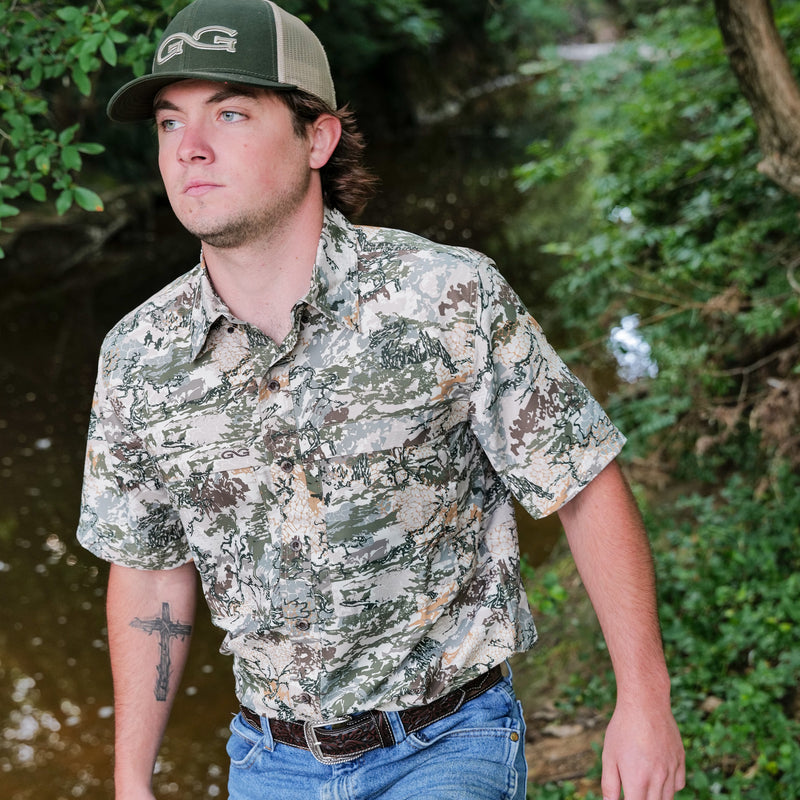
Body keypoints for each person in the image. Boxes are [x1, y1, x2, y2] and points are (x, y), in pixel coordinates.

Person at [77, 1, 685, 798]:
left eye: (230, 114)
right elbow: (151, 572)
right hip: (269, 763)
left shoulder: (445, 295)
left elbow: (582, 482)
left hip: (446, 742)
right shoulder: (137, 355)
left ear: (317, 138)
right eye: (168, 122)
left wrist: (644, 699)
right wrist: (130, 780)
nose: (189, 149)